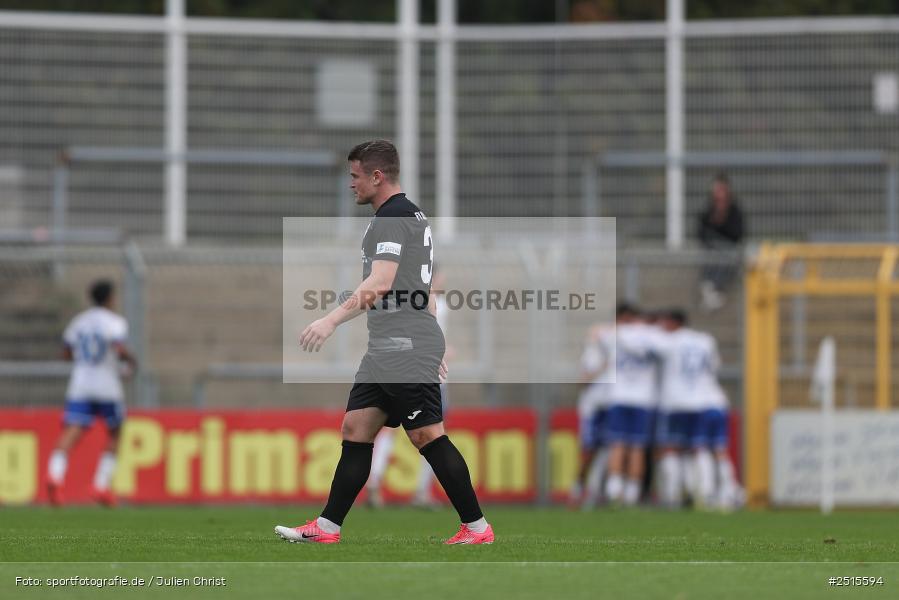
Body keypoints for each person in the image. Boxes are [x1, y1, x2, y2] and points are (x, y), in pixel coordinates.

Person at [275, 140, 492, 545]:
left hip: (404, 344)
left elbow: (381, 283)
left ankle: (477, 528)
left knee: (427, 435)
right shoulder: (407, 214)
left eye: (355, 176)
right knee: (356, 427)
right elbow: (417, 286)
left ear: (377, 176)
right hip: (394, 344)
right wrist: (434, 338)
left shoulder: (393, 217)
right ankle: (326, 528)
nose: (351, 184)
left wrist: (330, 320)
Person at [46, 279, 137, 507]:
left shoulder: (79, 322)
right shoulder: (115, 322)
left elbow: (66, 353)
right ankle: (101, 485)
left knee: (72, 431)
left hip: (81, 385)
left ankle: (54, 476)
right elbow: (119, 348)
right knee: (115, 433)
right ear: (109, 298)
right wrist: (130, 362)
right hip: (107, 385)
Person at [602, 303, 660, 506]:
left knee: (618, 444)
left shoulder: (614, 334)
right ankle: (632, 493)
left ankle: (614, 490)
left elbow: (599, 336)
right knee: (637, 446)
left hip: (619, 396)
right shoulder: (653, 335)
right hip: (643, 399)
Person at [698, 173, 745, 311]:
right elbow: (702, 233)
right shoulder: (708, 211)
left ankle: (712, 287)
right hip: (712, 249)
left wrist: (721, 223)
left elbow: (737, 234)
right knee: (712, 255)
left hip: (728, 250)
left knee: (724, 256)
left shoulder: (734, 211)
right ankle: (712, 289)